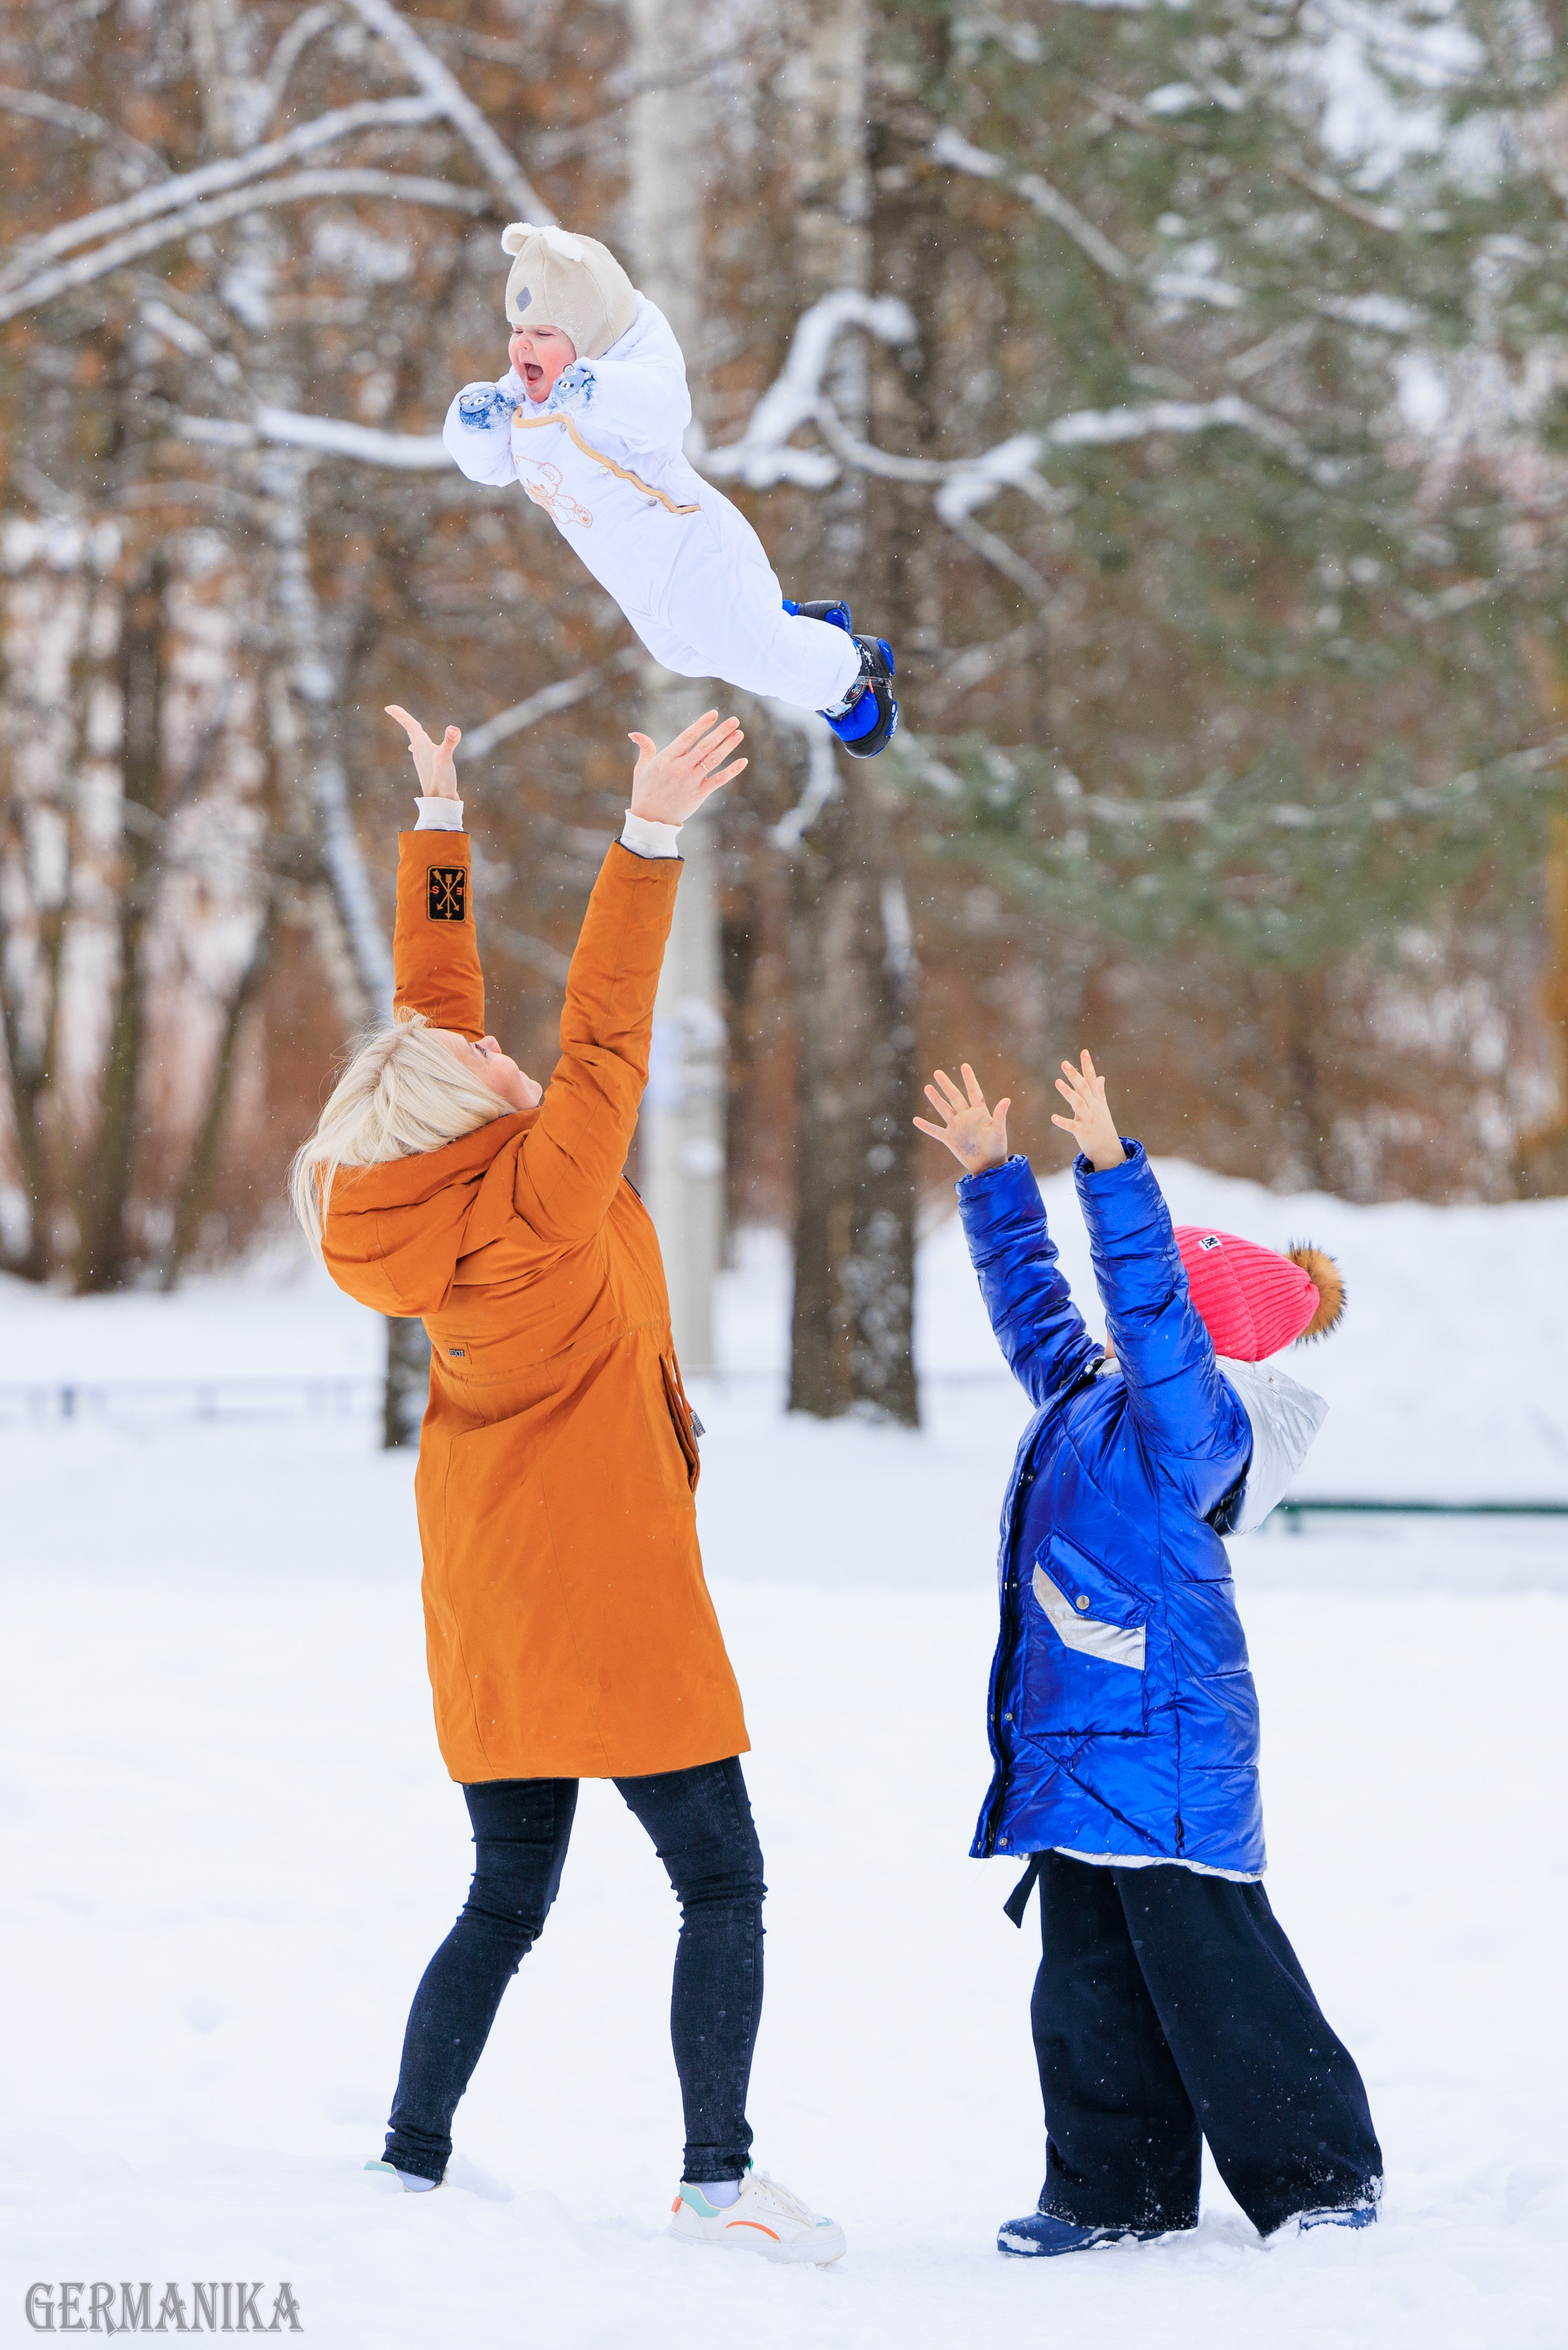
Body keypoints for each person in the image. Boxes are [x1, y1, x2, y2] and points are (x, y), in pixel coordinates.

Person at [289, 702, 845, 2265]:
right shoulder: (545, 1182)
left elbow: (430, 1002)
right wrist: (646, 832)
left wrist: (440, 820)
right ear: (470, 1108)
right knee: (720, 1882)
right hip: (605, 1585)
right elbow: (607, 1025)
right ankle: (718, 2186)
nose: (490, 1038)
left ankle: (408, 2162)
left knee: (505, 1895)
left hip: (487, 1584)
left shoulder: (426, 1191)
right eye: (479, 1055)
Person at [913, 1053, 1382, 2257]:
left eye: (1166, 1309)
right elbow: (1036, 1308)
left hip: (1166, 1743)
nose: (1134, 1323)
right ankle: (1111, 2190)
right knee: (1082, 1986)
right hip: (1077, 1741)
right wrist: (990, 1181)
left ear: (1194, 1335)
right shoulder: (1084, 1400)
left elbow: (1143, 1309)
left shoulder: (1194, 1426)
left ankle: (1317, 2174)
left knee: (1215, 1977)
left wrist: (1112, 1171)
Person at [442, 220, 899, 757]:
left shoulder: (624, 378)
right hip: (634, 580)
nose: (523, 347)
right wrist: (472, 423)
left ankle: (853, 676)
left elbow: (664, 412)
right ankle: (787, 622)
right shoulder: (524, 400)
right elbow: (491, 465)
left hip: (688, 547)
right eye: (518, 331)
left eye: (543, 334)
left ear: (587, 336)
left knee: (750, 655)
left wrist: (598, 393)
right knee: (686, 654)